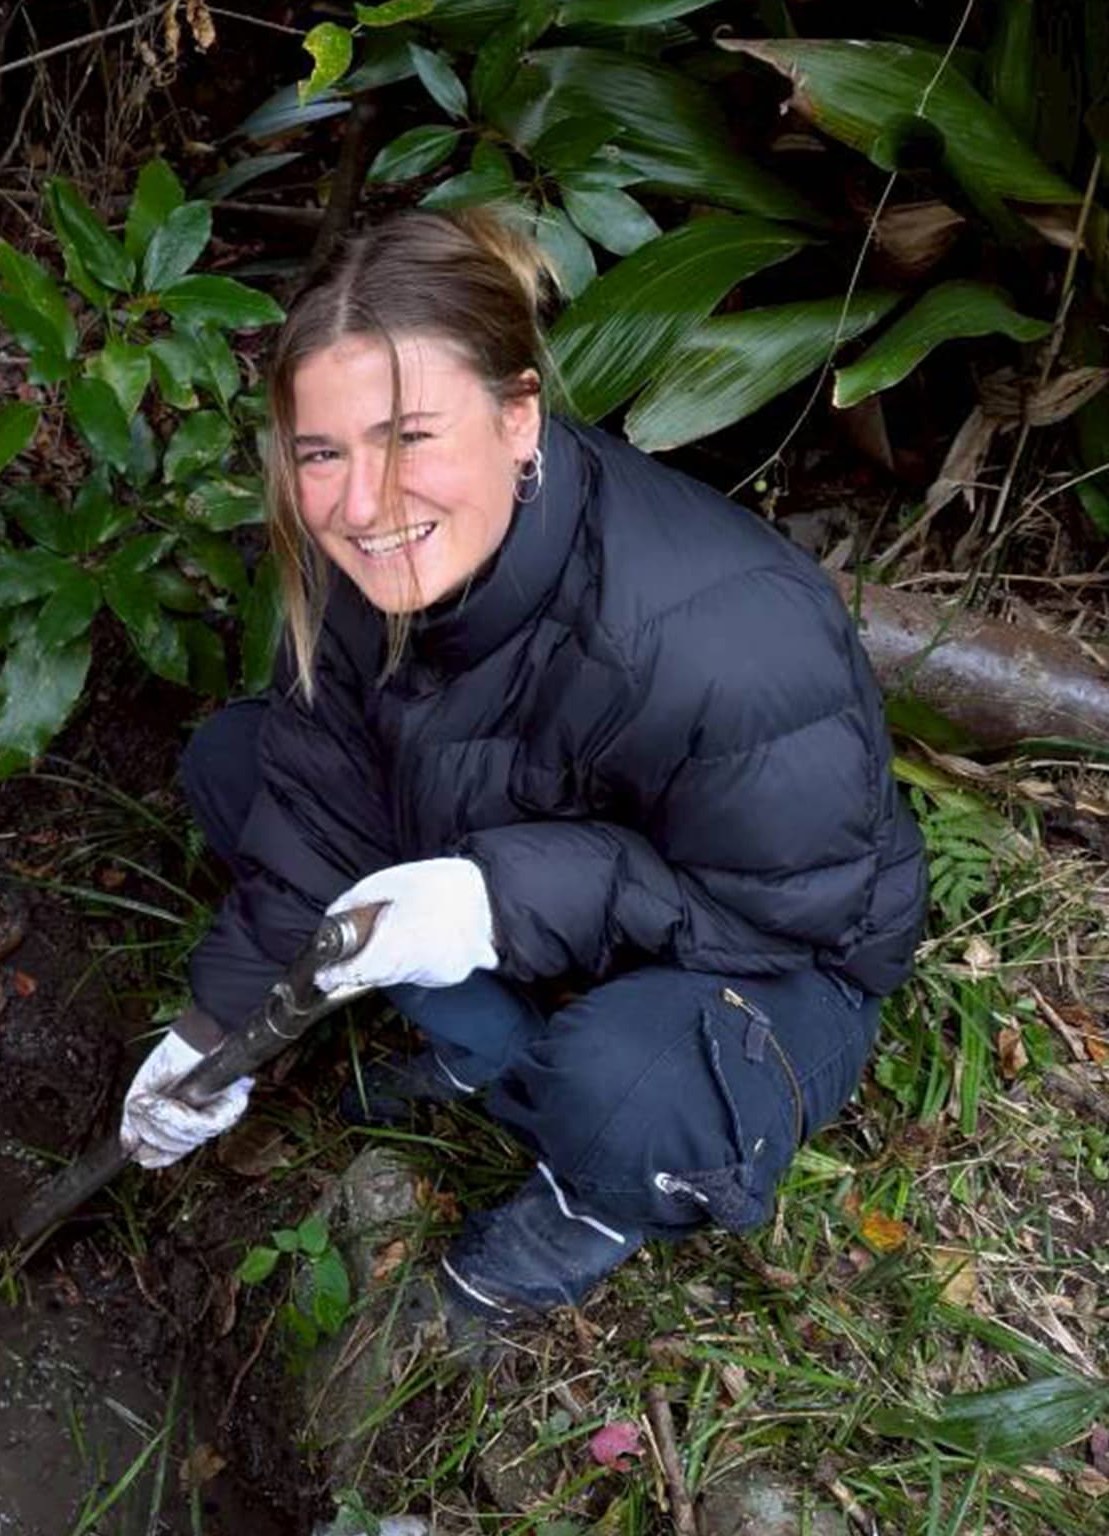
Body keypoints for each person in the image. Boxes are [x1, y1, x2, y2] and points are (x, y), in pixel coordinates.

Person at [117, 209, 927, 1351]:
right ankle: (486, 1048)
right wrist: (212, 1035)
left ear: (516, 417)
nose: (359, 504)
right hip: (548, 867)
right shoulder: (379, 560)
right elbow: (317, 800)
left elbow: (790, 918)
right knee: (237, 767)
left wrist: (494, 902)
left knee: (623, 1092)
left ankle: (583, 1204)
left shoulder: (727, 639)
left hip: (775, 958)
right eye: (321, 453)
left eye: (407, 438)